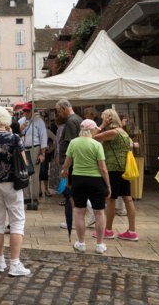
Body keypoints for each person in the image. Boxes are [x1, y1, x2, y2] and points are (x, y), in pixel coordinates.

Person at [0, 106, 31, 276]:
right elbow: (23, 162)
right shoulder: (15, 137)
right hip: (12, 182)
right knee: (17, 221)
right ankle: (15, 263)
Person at [61, 119, 112, 254]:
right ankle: (100, 244)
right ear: (91, 130)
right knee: (99, 212)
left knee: (79, 212)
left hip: (78, 179)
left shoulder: (73, 142)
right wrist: (108, 185)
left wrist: (64, 171)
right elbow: (103, 168)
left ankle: (81, 243)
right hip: (96, 180)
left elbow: (67, 164)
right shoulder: (97, 145)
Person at [92, 109, 138, 241]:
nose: (102, 120)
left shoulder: (112, 132)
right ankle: (132, 231)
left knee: (110, 199)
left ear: (109, 119)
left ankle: (108, 230)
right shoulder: (123, 132)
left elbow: (90, 137)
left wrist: (100, 126)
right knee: (128, 199)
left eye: (104, 118)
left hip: (113, 169)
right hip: (123, 169)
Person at [57, 99, 91, 228]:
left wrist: (66, 165)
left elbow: (71, 144)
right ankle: (77, 218)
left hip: (71, 162)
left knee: (70, 191)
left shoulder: (71, 121)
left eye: (59, 111)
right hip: (75, 161)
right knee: (73, 191)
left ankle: (73, 221)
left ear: (64, 108)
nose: (59, 114)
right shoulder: (78, 119)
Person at [19, 103, 47, 207]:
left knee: (35, 174)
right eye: (24, 111)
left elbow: (43, 137)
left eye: (27, 111)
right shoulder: (21, 121)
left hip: (35, 148)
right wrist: (21, 129)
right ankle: (26, 197)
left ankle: (34, 197)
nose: (25, 113)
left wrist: (42, 153)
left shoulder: (39, 121)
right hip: (23, 149)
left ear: (31, 111)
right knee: (24, 173)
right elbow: (17, 135)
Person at [39, 114, 57, 198]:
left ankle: (46, 189)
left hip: (44, 152)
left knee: (44, 171)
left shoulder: (47, 131)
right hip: (36, 152)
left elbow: (56, 139)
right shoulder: (34, 131)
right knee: (37, 171)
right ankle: (39, 189)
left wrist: (51, 149)